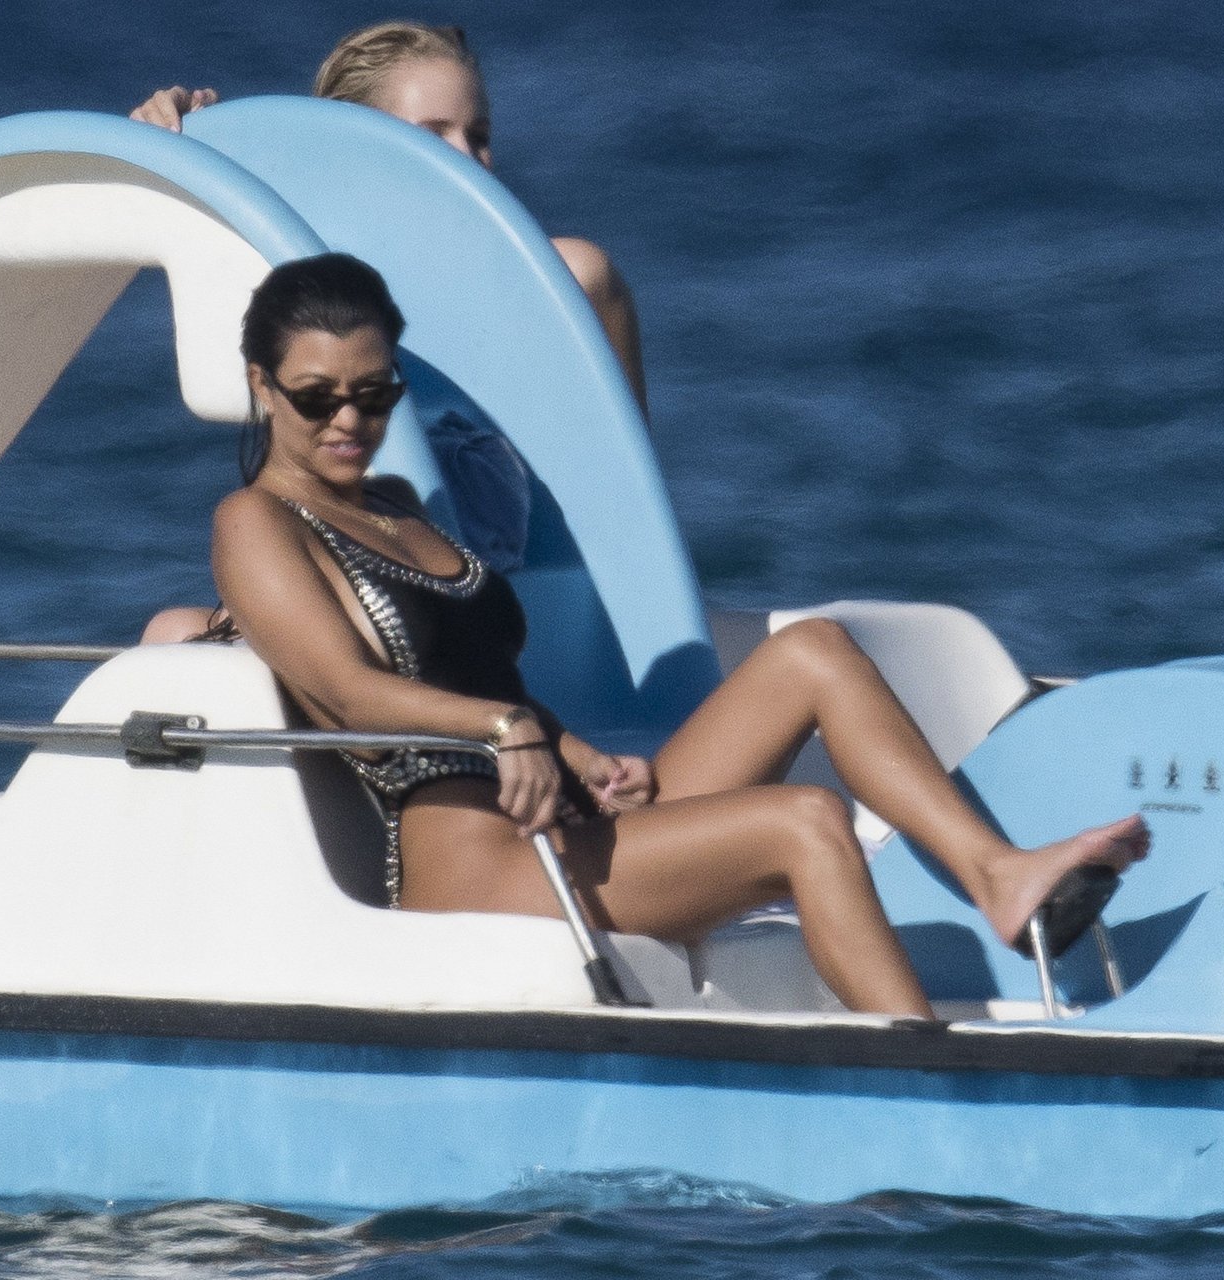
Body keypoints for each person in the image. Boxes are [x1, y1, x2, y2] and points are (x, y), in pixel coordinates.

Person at [192, 253, 1150, 1019]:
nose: (350, 420)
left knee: (814, 653)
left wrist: (573, 750)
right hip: (474, 863)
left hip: (560, 821)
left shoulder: (399, 503)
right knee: (805, 820)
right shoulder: (256, 521)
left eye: (374, 394)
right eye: (317, 397)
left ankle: (996, 875)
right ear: (261, 387)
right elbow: (349, 690)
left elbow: (476, 674)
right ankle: (931, 1077)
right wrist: (503, 729)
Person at [130, 21, 648, 412]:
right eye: (433, 134)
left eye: (479, 136)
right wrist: (173, 135)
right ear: (359, 151)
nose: (467, 158)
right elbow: (167, 224)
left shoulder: (567, 280)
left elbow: (630, 496)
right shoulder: (300, 275)